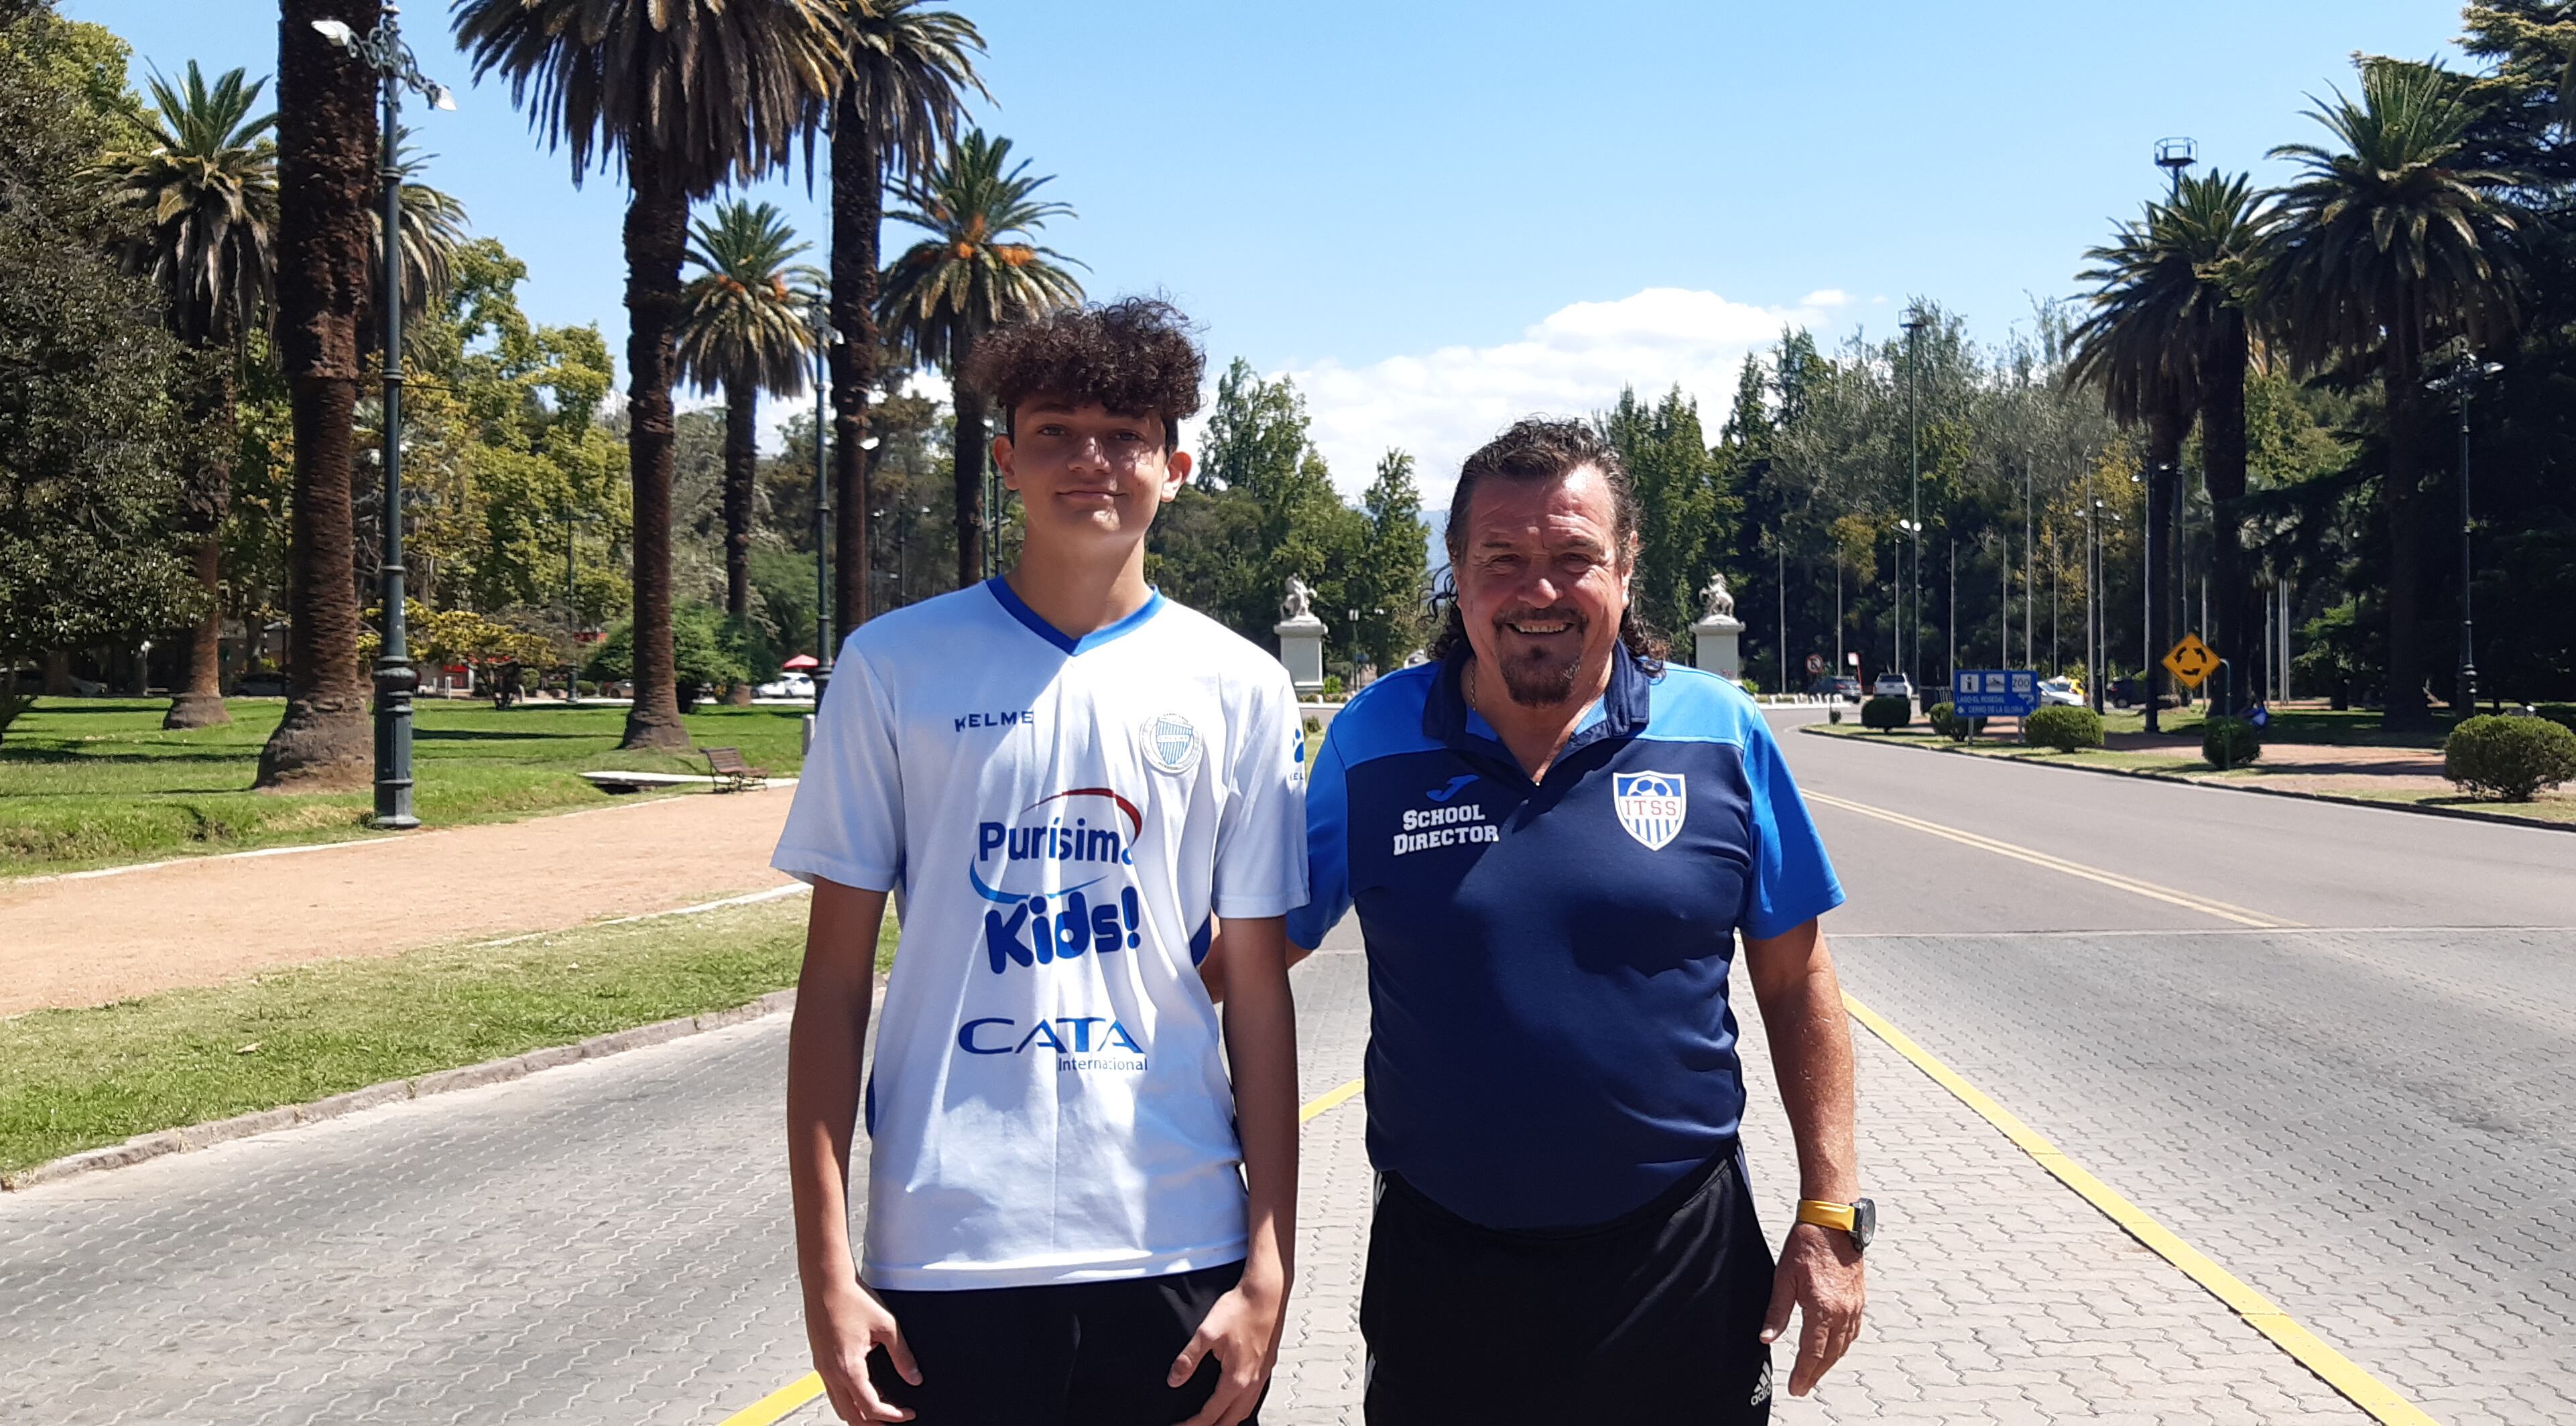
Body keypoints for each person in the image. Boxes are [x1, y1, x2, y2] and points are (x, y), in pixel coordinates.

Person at [774, 298, 1306, 1426]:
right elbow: (829, 992)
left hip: (1177, 1240)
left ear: (1177, 464)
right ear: (1007, 460)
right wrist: (827, 1270)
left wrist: (1270, 1263)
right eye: (1056, 431)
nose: (1092, 460)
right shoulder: (891, 669)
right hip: (948, 1248)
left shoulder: (1241, 685)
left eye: (1126, 433)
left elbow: (1257, 992)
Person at [1288, 417, 1867, 1425]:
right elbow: (1255, 948)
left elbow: (1795, 977)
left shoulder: (1720, 732)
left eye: (1573, 558)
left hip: (1678, 1258)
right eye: (1501, 560)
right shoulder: (1371, 740)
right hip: (1445, 1259)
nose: (1538, 591)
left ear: (1627, 569)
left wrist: (1831, 1213)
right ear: (1457, 578)